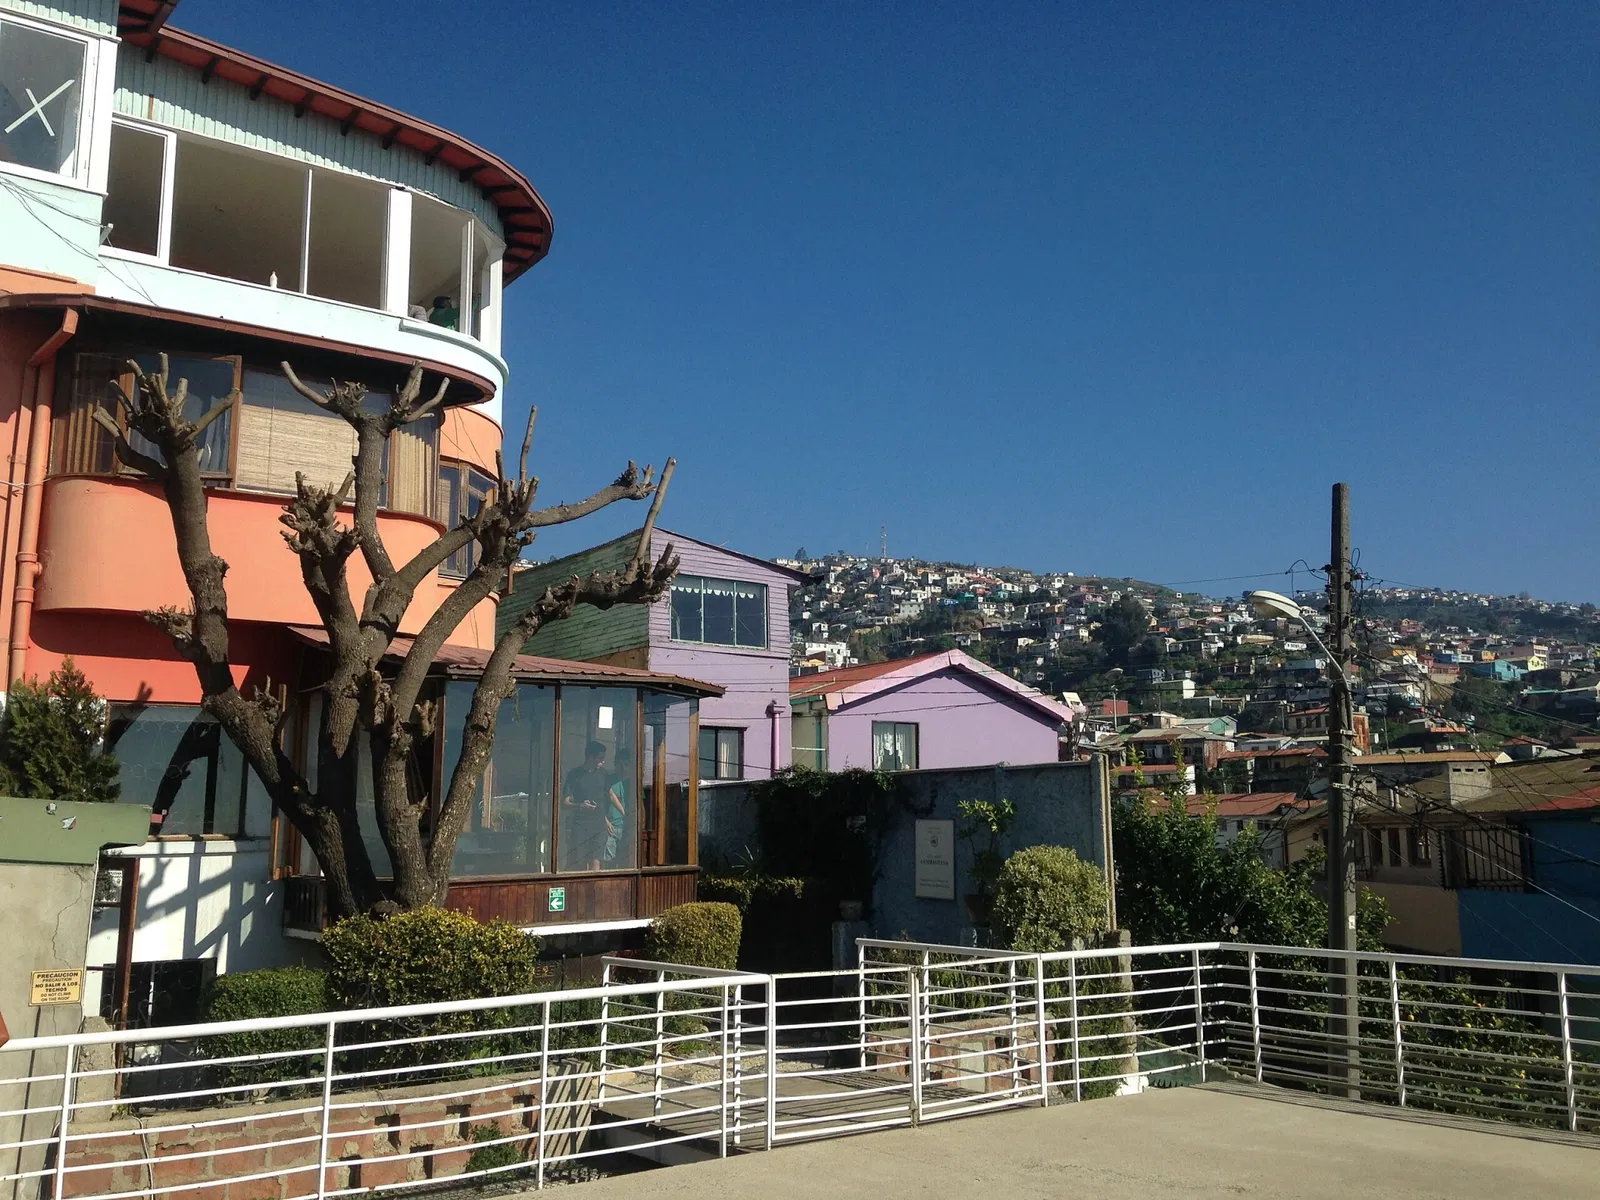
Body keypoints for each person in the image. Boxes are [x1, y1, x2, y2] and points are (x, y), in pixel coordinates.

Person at [562, 740, 609, 870]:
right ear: (590, 757)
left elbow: (609, 796)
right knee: (579, 863)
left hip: (599, 825)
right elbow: (564, 803)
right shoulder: (574, 775)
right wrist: (580, 805)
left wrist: (608, 820)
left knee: (596, 860)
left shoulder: (603, 774)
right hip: (581, 826)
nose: (603, 761)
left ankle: (596, 884)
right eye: (600, 758)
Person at [605, 750, 633, 865]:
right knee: (609, 863)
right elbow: (598, 803)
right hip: (610, 827)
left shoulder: (634, 783)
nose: (623, 768)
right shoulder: (607, 781)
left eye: (625, 764)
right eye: (620, 764)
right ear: (615, 764)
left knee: (626, 862)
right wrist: (605, 821)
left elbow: (641, 806)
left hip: (628, 828)